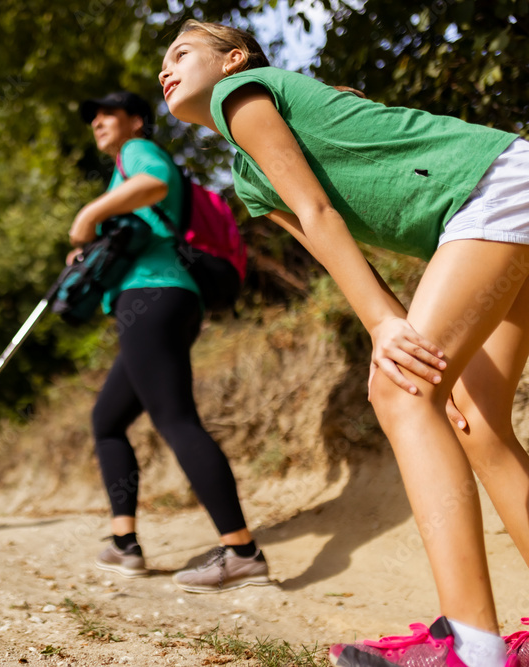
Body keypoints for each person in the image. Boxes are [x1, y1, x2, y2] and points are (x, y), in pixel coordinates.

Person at [159, 19, 529, 667]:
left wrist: (390, 327)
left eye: (181, 52)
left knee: (402, 388)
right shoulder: (249, 182)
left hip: (496, 185)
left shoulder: (241, 94)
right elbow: (327, 240)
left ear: (232, 60)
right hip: (498, 200)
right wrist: (381, 318)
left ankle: (470, 646)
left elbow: (321, 212)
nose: (165, 70)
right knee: (478, 421)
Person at [70, 90, 270, 592]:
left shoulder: (137, 153)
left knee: (176, 419)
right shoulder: (124, 171)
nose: (96, 121)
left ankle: (242, 551)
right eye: (91, 117)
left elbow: (155, 183)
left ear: (136, 121)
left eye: (106, 113)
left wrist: (87, 216)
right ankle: (124, 544)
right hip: (163, 300)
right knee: (108, 420)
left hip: (154, 298)